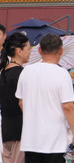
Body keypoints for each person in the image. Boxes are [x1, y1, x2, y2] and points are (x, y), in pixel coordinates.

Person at [16, 34, 74, 162]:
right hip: (54, 139)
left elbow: (21, 103)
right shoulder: (62, 74)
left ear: (40, 50)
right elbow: (68, 106)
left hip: (31, 138)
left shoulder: (26, 71)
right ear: (61, 51)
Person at [0, 33, 30, 163]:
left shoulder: (3, 72)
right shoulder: (21, 74)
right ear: (18, 51)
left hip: (6, 128)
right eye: (28, 49)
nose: (30, 52)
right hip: (20, 128)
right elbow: (22, 103)